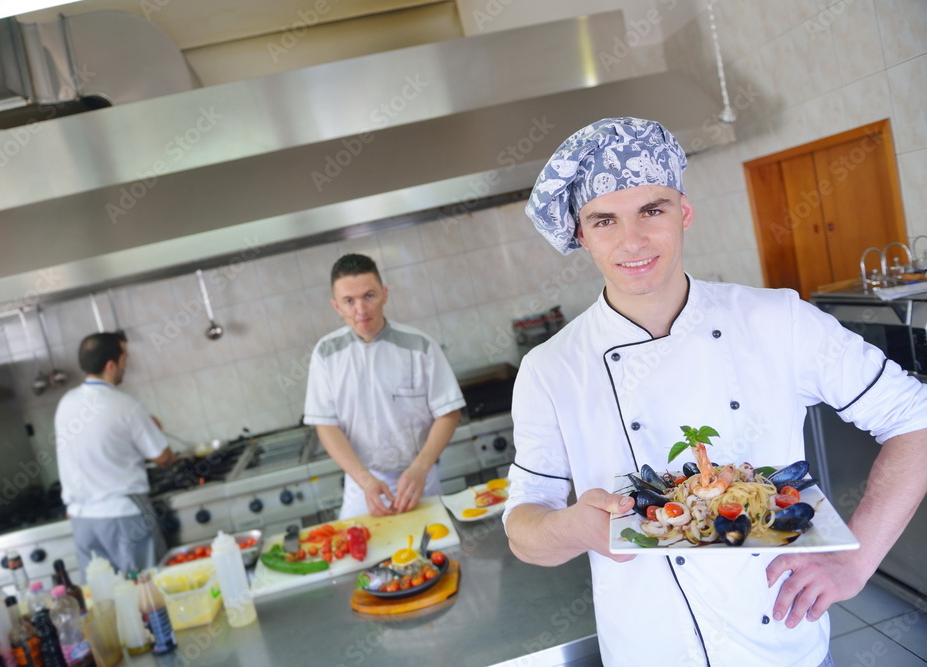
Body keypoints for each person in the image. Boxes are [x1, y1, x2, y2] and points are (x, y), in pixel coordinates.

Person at [503, 117, 927, 667]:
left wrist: (857, 558)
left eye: (651, 211)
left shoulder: (778, 318)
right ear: (581, 235)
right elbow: (523, 530)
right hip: (648, 651)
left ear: (684, 212)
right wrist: (571, 527)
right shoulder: (549, 369)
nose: (631, 241)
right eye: (604, 220)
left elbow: (915, 419)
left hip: (781, 644)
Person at [304, 254, 465, 519]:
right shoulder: (326, 353)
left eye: (369, 296)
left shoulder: (420, 346)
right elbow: (325, 425)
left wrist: (420, 468)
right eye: (349, 301)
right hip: (362, 485)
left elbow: (449, 413)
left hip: (419, 478)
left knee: (437, 553)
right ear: (336, 306)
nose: (361, 309)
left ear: (384, 294)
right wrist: (365, 481)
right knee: (367, 557)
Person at [55, 332, 178, 579]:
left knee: (106, 601)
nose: (126, 365)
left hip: (82, 521)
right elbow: (163, 458)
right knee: (146, 592)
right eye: (125, 359)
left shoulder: (65, 403)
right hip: (123, 515)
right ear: (111, 365)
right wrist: (153, 430)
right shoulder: (126, 405)